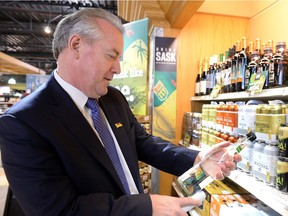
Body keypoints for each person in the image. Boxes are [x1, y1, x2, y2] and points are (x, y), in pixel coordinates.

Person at [0, 8, 241, 216]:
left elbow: (143, 142)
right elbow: (57, 210)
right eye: (111, 55)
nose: (117, 68)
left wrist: (197, 159)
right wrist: (144, 207)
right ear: (76, 46)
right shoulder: (23, 123)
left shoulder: (112, 97)